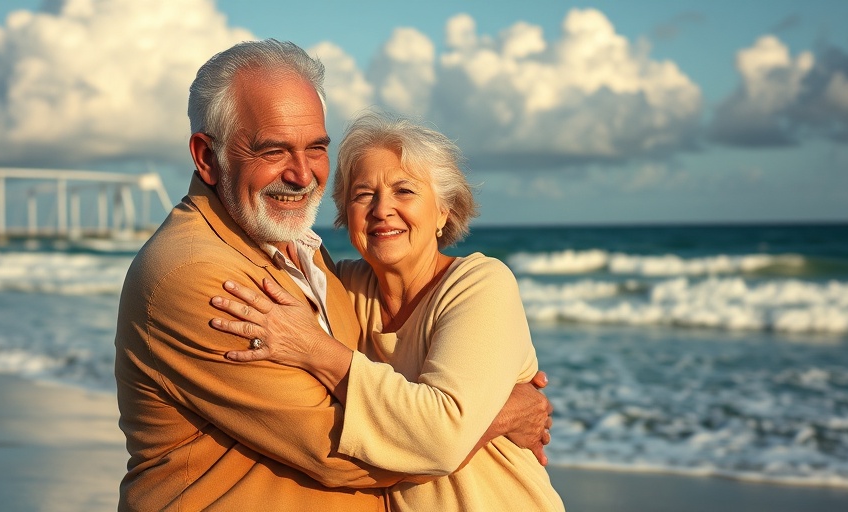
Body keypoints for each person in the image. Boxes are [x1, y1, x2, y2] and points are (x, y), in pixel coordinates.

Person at [115, 40, 552, 511]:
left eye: (316, 148)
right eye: (274, 150)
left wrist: (458, 419)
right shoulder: (203, 274)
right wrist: (500, 413)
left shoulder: (319, 269)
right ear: (206, 157)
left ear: (446, 208)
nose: (302, 175)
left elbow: (408, 421)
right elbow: (338, 449)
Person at [209, 111, 565, 511]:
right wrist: (502, 414)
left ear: (444, 210)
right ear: (346, 214)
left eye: (405, 191)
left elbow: (440, 440)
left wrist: (313, 348)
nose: (382, 209)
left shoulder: (480, 284)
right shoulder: (340, 290)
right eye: (363, 195)